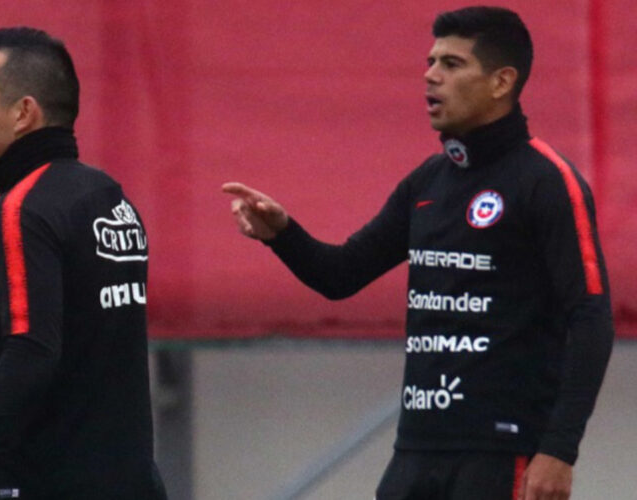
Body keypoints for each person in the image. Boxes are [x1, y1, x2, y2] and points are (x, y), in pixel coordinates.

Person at [223, 7, 613, 500]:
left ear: (501, 82)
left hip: (504, 452)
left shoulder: (547, 181)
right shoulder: (427, 182)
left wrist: (559, 449)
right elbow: (340, 275)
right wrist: (282, 233)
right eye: (430, 62)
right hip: (417, 450)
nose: (430, 75)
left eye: (451, 64)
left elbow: (592, 316)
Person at [0, 27, 166, 500]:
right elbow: (90, 332)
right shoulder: (105, 195)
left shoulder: (23, 210)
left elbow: (33, 355)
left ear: (23, 113)